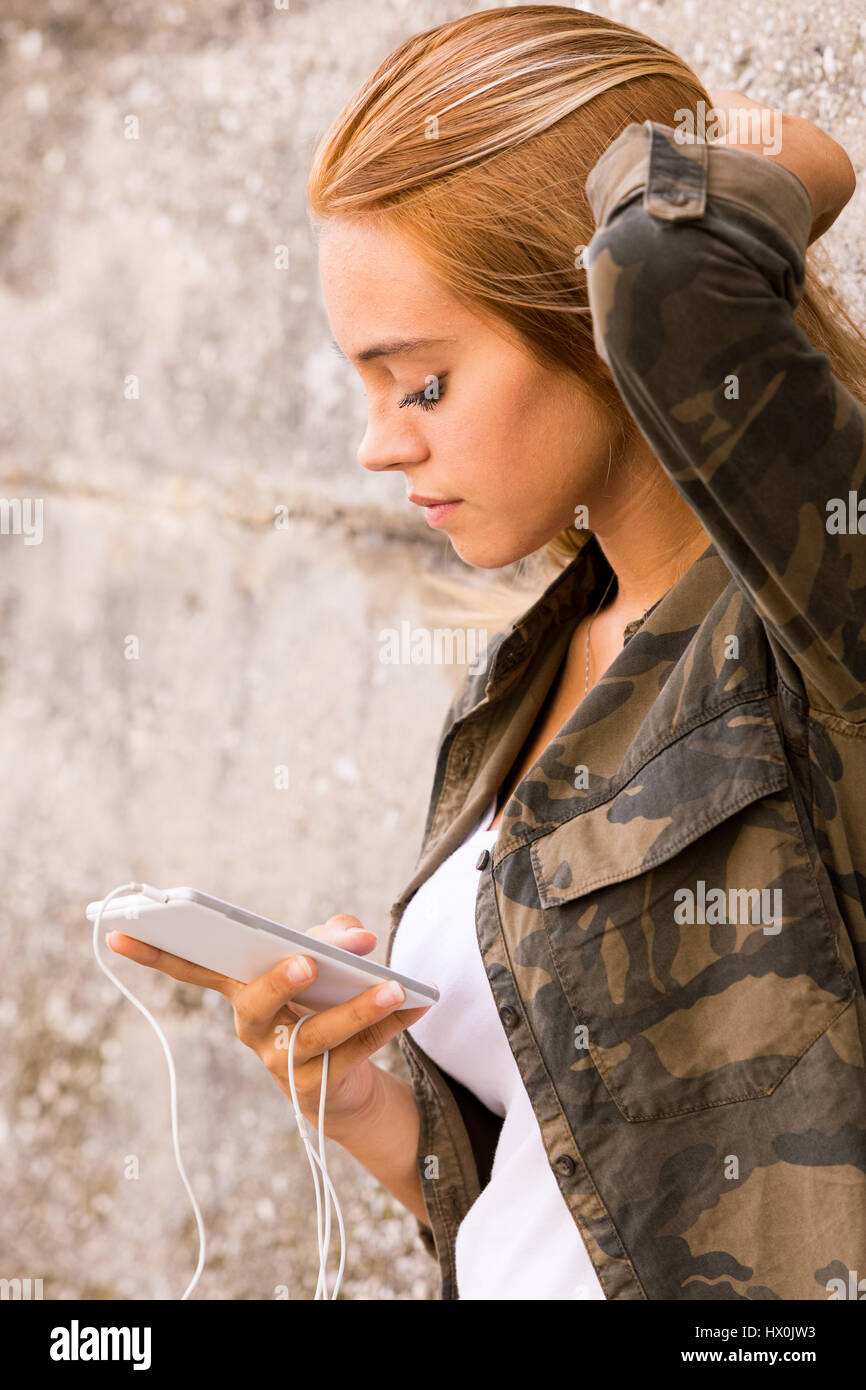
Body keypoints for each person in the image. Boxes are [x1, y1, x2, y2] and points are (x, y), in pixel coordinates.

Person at [109, 6, 866, 1299]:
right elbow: (573, 1202)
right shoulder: (522, 677)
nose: (376, 444)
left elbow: (676, 264)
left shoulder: (812, 620)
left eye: (419, 381)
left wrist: (776, 163)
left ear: (593, 326)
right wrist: (360, 1104)